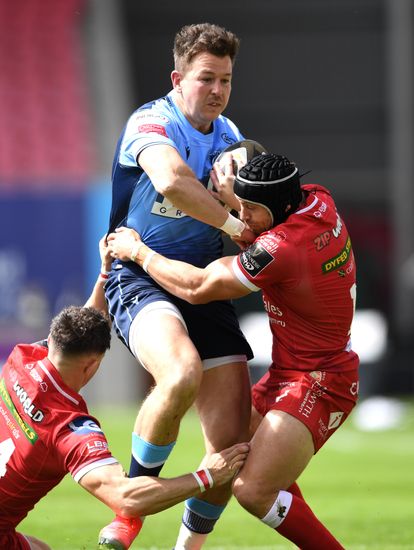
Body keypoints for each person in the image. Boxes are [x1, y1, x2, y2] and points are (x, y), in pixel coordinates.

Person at [107, 152, 360, 549]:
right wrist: (241, 197)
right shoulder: (317, 198)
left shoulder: (283, 248)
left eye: (250, 209)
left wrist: (138, 252)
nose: (242, 215)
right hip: (291, 371)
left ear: (278, 208)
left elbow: (198, 287)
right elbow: (264, 229)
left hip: (320, 383)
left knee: (252, 490)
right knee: (231, 454)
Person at [102, 22, 258, 549]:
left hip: (203, 285)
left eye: (227, 81)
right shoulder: (151, 121)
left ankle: (187, 548)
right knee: (181, 370)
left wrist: (249, 206)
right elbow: (170, 181)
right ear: (177, 78)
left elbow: (251, 197)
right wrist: (236, 227)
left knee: (232, 444)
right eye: (206, 78)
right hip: (139, 273)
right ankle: (131, 511)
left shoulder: (230, 136)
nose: (217, 90)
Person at [0, 238, 249, 550]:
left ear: (52, 341)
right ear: (93, 365)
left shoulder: (20, 360)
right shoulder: (70, 429)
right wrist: (206, 477)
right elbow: (125, 497)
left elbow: (80, 327)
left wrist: (105, 274)